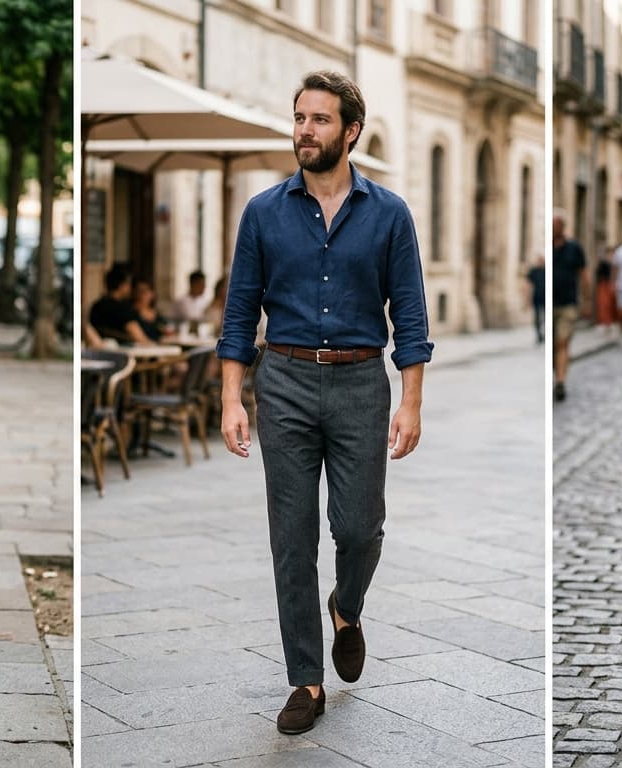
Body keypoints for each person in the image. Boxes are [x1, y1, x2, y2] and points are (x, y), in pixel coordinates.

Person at [218, 70, 432, 736]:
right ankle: (305, 679)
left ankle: (347, 604)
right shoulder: (263, 212)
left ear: (350, 131)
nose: (304, 130)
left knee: (360, 527)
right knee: (291, 539)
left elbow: (413, 319)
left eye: (318, 119)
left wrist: (412, 402)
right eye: (299, 118)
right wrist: (232, 398)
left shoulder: (390, 213)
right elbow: (237, 316)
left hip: (362, 382)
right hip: (280, 378)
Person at [550, 212, 586, 401]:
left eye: (556, 224)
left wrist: (586, 301)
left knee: (563, 342)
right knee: (552, 346)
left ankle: (561, 382)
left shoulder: (574, 249)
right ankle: (557, 372)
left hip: (568, 304)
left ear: (562, 227)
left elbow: (584, 275)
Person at [88, 266, 154, 344]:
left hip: (100, 351)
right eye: (128, 284)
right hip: (124, 352)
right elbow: (138, 337)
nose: (130, 288)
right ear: (122, 286)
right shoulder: (122, 309)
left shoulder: (96, 306)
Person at [593, 248, 617, 330]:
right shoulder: (603, 264)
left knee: (614, 306)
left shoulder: (614, 264)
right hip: (604, 286)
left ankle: (614, 323)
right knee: (605, 305)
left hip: (612, 285)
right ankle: (607, 324)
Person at [526, 255, 547, 344]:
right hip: (537, 298)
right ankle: (539, 335)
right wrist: (527, 299)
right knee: (537, 318)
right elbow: (528, 284)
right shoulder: (534, 271)